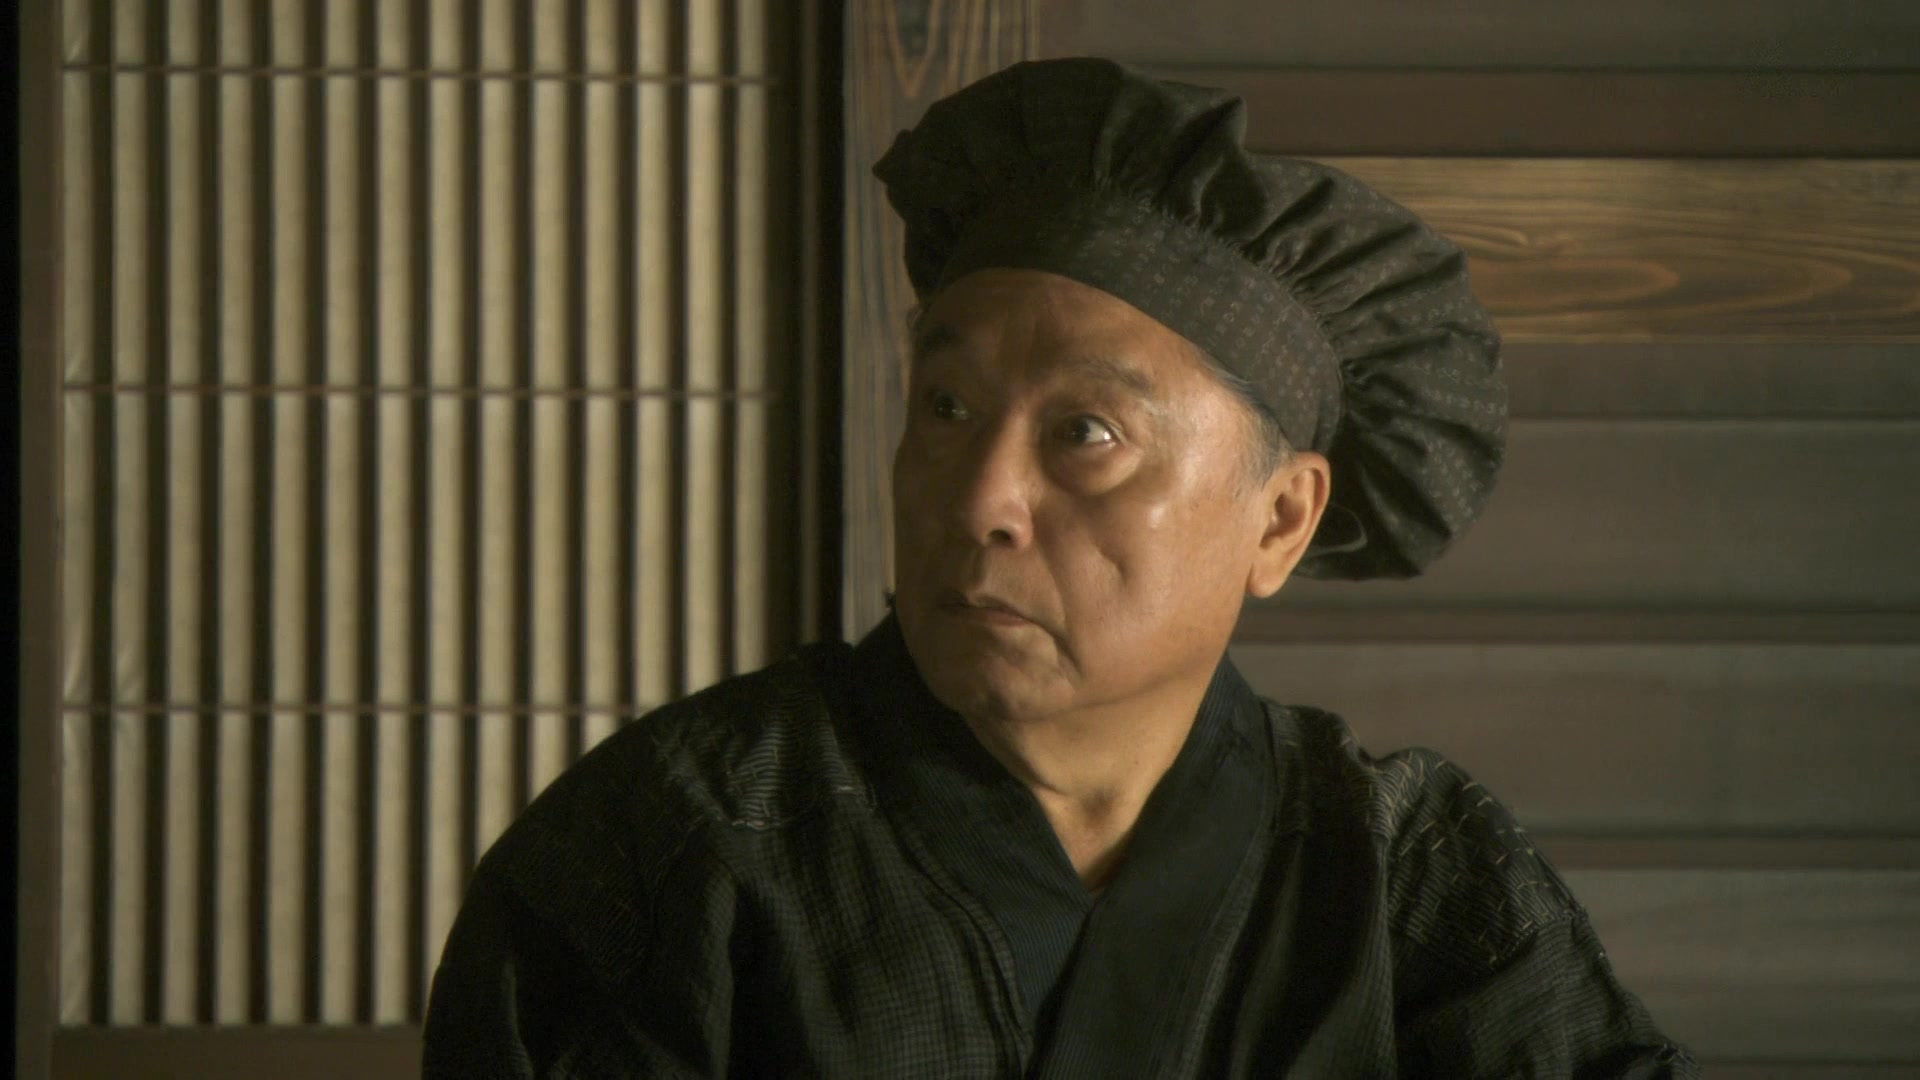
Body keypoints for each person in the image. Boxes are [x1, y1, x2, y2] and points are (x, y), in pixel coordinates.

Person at [422, 58, 1696, 1077]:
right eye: (947, 408)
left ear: (1279, 521)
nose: (980, 499)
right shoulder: (678, 845)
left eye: (1085, 434)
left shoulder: (1410, 884)